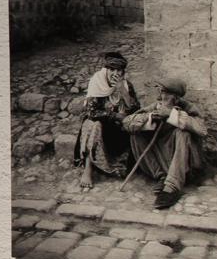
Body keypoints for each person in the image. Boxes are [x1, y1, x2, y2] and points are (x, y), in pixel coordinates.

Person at [122, 78, 208, 210]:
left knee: (183, 133)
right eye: (161, 91)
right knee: (136, 133)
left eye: (164, 93)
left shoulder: (189, 108)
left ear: (176, 98)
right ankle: (162, 176)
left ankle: (172, 187)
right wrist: (150, 118)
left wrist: (171, 114)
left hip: (184, 165)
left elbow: (202, 130)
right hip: (162, 158)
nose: (160, 96)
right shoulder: (157, 106)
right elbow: (127, 123)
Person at [74, 51, 140, 190]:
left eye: (119, 70)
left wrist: (123, 91)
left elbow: (136, 110)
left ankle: (116, 164)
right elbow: (91, 112)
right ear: (106, 70)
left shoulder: (126, 85)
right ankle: (88, 169)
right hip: (100, 125)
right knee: (92, 124)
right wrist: (114, 115)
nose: (115, 73)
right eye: (111, 69)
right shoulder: (97, 82)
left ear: (123, 72)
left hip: (117, 129)